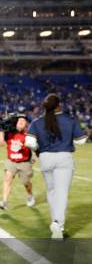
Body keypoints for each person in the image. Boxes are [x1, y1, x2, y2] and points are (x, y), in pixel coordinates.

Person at [27, 93, 87, 239]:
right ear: (59, 105)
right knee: (62, 192)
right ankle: (58, 223)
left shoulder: (36, 122)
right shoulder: (69, 120)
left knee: (52, 191)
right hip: (64, 157)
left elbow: (29, 143)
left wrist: (39, 149)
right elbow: (82, 140)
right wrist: (68, 141)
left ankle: (57, 222)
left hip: (46, 157)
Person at [0, 114, 35, 210]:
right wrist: (1, 130)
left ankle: (30, 195)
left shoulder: (28, 134)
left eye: (23, 121)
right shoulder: (9, 132)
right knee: (8, 178)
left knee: (26, 183)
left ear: (26, 123)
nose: (21, 122)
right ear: (16, 122)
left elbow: (34, 147)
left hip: (24, 162)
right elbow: (1, 143)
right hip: (11, 161)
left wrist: (34, 158)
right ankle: (4, 202)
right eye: (19, 120)